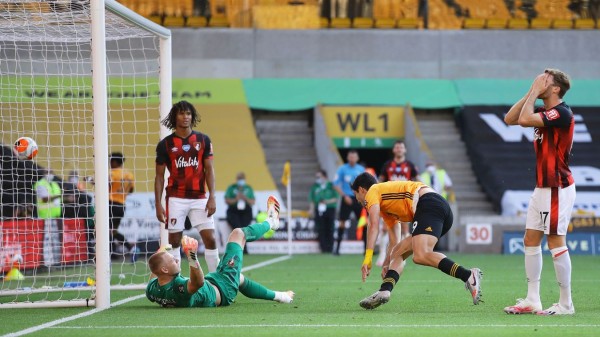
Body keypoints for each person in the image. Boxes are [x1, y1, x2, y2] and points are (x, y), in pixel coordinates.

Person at [502, 69, 576, 316]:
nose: (540, 82)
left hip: (557, 186)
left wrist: (535, 91)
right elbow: (510, 119)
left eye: (546, 81)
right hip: (542, 186)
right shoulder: (545, 111)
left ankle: (566, 304)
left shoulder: (562, 112)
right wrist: (531, 91)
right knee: (530, 240)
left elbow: (523, 120)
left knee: (555, 241)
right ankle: (533, 299)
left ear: (555, 89)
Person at [350, 172, 482, 309]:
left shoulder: (373, 191)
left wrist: (368, 258)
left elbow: (373, 226)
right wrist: (386, 263)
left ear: (361, 190)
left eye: (356, 195)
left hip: (429, 204)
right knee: (397, 253)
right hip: (436, 208)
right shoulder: (386, 207)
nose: (358, 201)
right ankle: (384, 291)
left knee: (420, 255)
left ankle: (468, 275)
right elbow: (394, 241)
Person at [146, 196, 295, 308]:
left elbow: (155, 272)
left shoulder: (152, 290)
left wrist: (161, 253)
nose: (177, 260)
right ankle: (271, 222)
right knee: (238, 234)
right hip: (223, 290)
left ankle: (282, 297)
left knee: (239, 278)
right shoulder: (178, 288)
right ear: (165, 269)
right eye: (173, 260)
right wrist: (191, 255)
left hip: (214, 281)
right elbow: (198, 282)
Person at [155, 100, 219, 272]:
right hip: (176, 198)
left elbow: (209, 170)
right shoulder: (165, 145)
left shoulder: (203, 140)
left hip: (199, 197)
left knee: (211, 239)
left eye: (189, 113)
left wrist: (212, 196)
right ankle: (176, 281)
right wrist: (158, 204)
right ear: (175, 116)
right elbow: (159, 176)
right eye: (182, 113)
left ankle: (218, 281)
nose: (186, 117)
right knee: (175, 241)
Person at [333, 150, 365, 255]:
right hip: (346, 198)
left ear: (357, 158)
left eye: (354, 157)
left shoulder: (361, 169)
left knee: (363, 222)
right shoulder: (342, 169)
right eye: (350, 157)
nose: (352, 159)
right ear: (347, 158)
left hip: (359, 199)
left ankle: (366, 249)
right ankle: (337, 249)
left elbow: (366, 185)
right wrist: (344, 196)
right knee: (342, 222)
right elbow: (335, 184)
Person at [107, 152, 137, 260]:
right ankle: (130, 247)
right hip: (121, 205)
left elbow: (107, 184)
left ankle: (109, 254)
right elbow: (131, 190)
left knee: (105, 230)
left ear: (114, 161)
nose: (109, 163)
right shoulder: (129, 175)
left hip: (111, 204)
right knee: (112, 231)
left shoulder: (112, 173)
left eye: (110, 160)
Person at [308, 169, 339, 253]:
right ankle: (323, 248)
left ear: (325, 177)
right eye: (316, 177)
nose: (317, 178)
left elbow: (336, 198)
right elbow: (312, 199)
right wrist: (311, 209)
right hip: (319, 209)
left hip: (330, 208)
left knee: (330, 228)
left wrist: (326, 201)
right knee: (321, 228)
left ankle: (330, 247)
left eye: (319, 176)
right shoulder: (315, 186)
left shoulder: (331, 185)